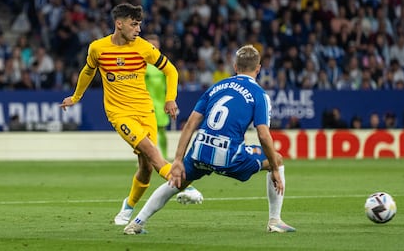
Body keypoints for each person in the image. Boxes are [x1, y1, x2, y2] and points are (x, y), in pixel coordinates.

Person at [123, 45, 295, 235]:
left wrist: (178, 160)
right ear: (258, 69)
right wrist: (274, 168)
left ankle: (136, 223)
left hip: (200, 150)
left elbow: (190, 124)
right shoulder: (259, 94)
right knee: (277, 159)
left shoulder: (216, 87)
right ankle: (275, 221)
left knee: (175, 182)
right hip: (228, 156)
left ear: (235, 67)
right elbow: (263, 135)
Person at [59, 3, 202, 226]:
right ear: (120, 24)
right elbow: (88, 71)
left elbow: (170, 69)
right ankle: (186, 186)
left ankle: (127, 207)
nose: (138, 29)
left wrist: (170, 98)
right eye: (134, 24)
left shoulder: (143, 47)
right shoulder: (98, 48)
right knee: (154, 154)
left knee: (146, 169)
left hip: (145, 111)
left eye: (139, 25)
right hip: (120, 114)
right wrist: (76, 97)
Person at [144, 34, 170, 159]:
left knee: (162, 131)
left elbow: (170, 82)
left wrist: (170, 100)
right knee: (145, 133)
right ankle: (147, 158)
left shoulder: (164, 64)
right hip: (146, 104)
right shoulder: (142, 65)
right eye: (151, 45)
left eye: (155, 45)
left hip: (160, 104)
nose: (153, 48)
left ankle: (164, 157)